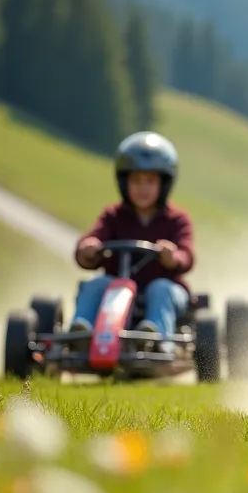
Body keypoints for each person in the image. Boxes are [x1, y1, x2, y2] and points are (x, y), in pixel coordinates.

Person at [70, 132, 195, 353]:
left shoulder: (177, 220)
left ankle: (156, 340)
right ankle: (81, 334)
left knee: (161, 288)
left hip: (163, 291)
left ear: (164, 184)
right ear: (124, 182)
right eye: (136, 181)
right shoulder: (113, 216)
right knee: (96, 284)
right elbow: (94, 238)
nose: (142, 188)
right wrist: (89, 247)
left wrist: (172, 257)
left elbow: (186, 255)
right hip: (117, 291)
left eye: (150, 181)